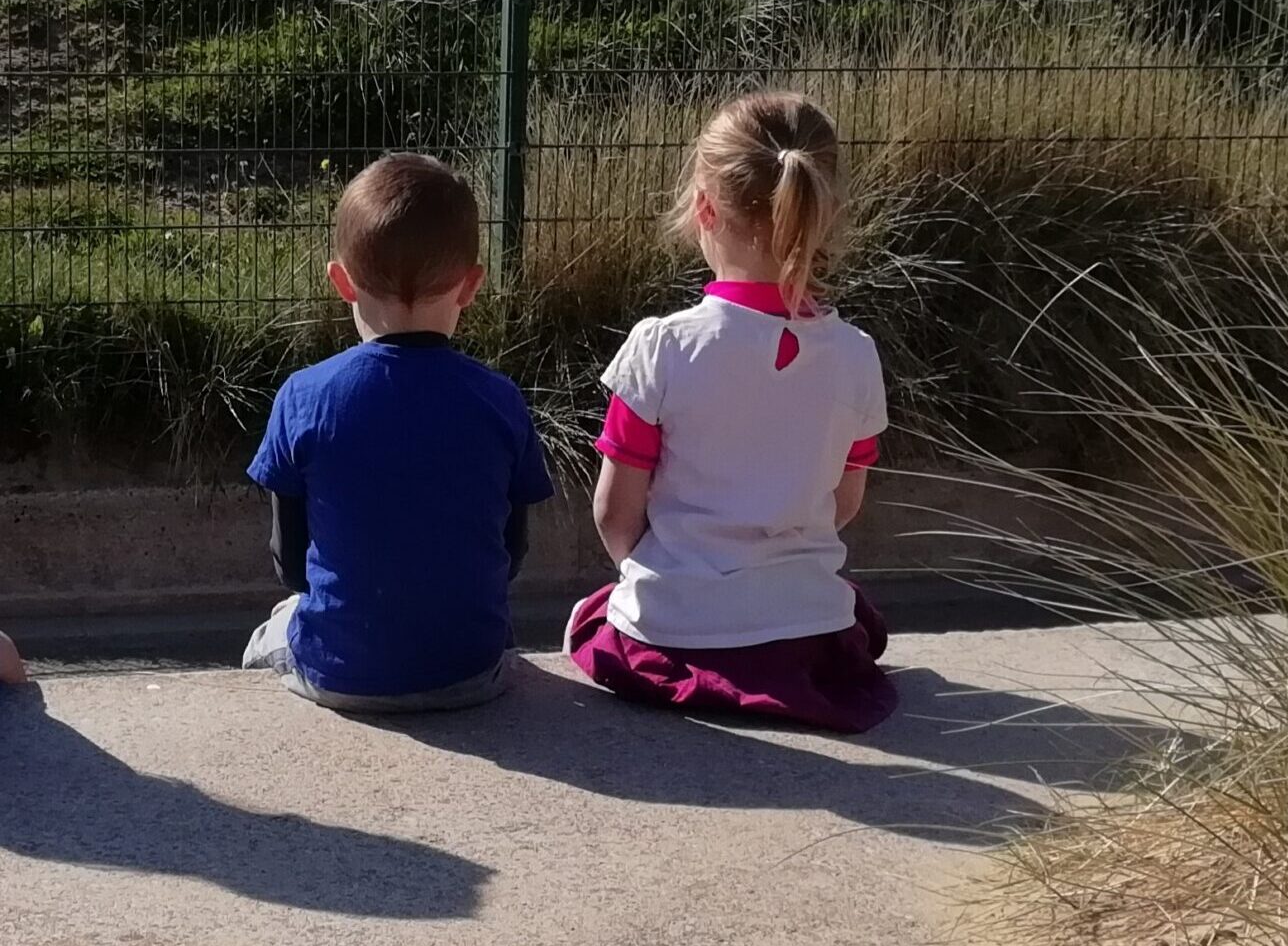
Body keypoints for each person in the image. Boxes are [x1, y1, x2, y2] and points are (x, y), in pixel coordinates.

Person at [566, 92, 897, 734]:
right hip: (804, 627)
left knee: (597, 619)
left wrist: (663, 580)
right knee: (851, 618)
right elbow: (844, 503)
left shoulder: (662, 345)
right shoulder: (857, 355)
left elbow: (614, 512)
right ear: (823, 214)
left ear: (705, 209)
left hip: (678, 627)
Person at [243, 153, 554, 713]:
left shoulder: (303, 395)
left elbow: (288, 563)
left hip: (340, 674)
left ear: (341, 281)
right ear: (470, 286)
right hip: (472, 671)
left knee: (274, 627)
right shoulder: (500, 399)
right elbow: (513, 550)